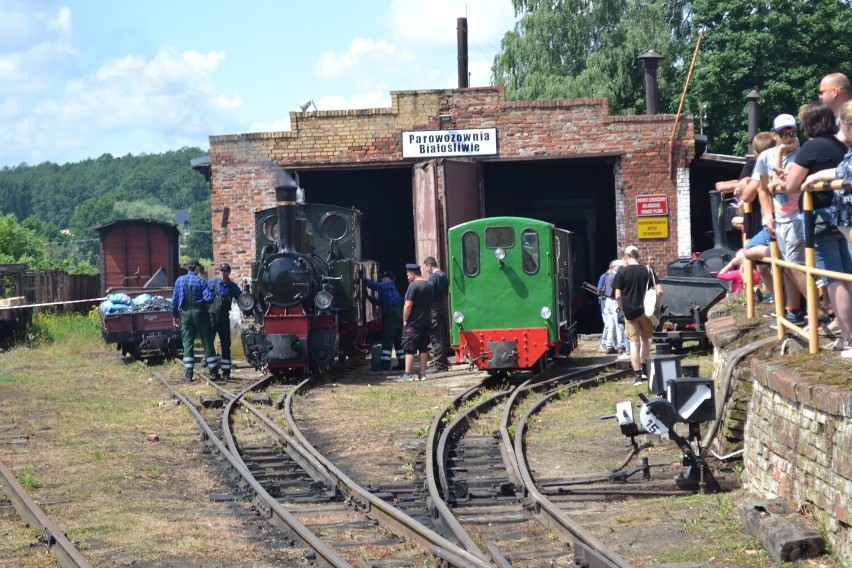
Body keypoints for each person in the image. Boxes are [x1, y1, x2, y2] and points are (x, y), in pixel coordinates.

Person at [787, 102, 851, 355]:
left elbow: (792, 186)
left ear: (808, 125)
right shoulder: (841, 146)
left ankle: (848, 336)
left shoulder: (811, 147)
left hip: (821, 218)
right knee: (847, 273)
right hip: (842, 217)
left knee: (833, 278)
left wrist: (794, 177)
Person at [756, 114, 807, 327]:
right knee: (787, 267)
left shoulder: (802, 155)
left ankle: (819, 311)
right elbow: (762, 188)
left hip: (799, 216)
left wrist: (779, 154)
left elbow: (777, 184)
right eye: (784, 133)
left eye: (792, 133)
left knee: (796, 266)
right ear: (774, 135)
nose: (789, 137)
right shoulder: (765, 157)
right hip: (781, 218)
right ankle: (793, 311)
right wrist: (768, 216)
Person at [613, 245, 663, 386]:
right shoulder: (648, 270)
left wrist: (622, 309)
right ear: (638, 256)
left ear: (626, 257)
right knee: (645, 340)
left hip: (630, 313)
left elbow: (617, 296)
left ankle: (638, 376)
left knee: (633, 343)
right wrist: (656, 305)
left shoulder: (621, 273)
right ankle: (646, 370)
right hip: (646, 312)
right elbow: (659, 291)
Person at [171, 259, 219, 382]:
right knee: (207, 341)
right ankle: (214, 373)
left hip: (186, 313)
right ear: (196, 268)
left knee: (187, 344)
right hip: (200, 313)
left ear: (188, 268)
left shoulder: (179, 280)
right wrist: (208, 299)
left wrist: (175, 316)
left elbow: (174, 301)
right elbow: (208, 298)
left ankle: (188, 375)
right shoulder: (200, 281)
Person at [395, 263, 434, 382]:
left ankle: (407, 374)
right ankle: (422, 374)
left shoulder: (413, 286)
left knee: (409, 347)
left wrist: (405, 319)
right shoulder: (430, 284)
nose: (407, 276)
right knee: (423, 348)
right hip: (426, 320)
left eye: (408, 274)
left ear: (412, 274)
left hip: (414, 322)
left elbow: (408, 304)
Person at [207, 262, 243, 380]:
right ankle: (213, 372)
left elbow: (240, 298)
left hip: (223, 319)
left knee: (226, 345)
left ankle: (226, 372)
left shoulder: (232, 286)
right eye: (222, 271)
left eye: (226, 271)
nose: (223, 273)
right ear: (220, 272)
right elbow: (206, 296)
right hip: (212, 318)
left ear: (229, 272)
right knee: (209, 344)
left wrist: (247, 304)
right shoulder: (213, 283)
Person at [363, 270, 404, 371]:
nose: (382, 279)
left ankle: (385, 365)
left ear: (389, 279)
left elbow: (377, 286)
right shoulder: (393, 290)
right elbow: (380, 301)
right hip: (398, 317)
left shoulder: (388, 286)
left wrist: (364, 279)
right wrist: (368, 297)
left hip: (391, 318)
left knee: (387, 340)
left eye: (383, 278)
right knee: (398, 342)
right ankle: (403, 363)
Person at [422, 256, 450, 372]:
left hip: (433, 309)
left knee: (436, 338)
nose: (426, 270)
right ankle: (443, 364)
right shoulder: (444, 275)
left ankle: (438, 366)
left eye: (425, 267)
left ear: (429, 265)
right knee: (441, 338)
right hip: (442, 306)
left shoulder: (433, 277)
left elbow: (427, 291)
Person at [597, 264, 615, 353]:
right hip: (605, 304)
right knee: (608, 325)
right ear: (611, 268)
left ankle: (611, 343)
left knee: (611, 325)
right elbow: (599, 290)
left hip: (609, 304)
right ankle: (604, 343)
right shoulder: (604, 277)